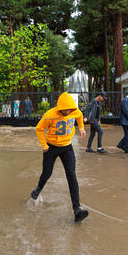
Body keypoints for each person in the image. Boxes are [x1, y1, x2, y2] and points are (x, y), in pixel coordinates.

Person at [30, 92, 89, 223]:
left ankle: (77, 209)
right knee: (47, 173)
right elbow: (39, 129)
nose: (68, 111)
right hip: (51, 148)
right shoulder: (50, 115)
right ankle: (38, 188)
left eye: (70, 108)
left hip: (67, 147)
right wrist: (44, 145)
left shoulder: (74, 111)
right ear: (60, 107)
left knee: (71, 175)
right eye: (66, 109)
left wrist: (81, 128)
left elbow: (79, 116)